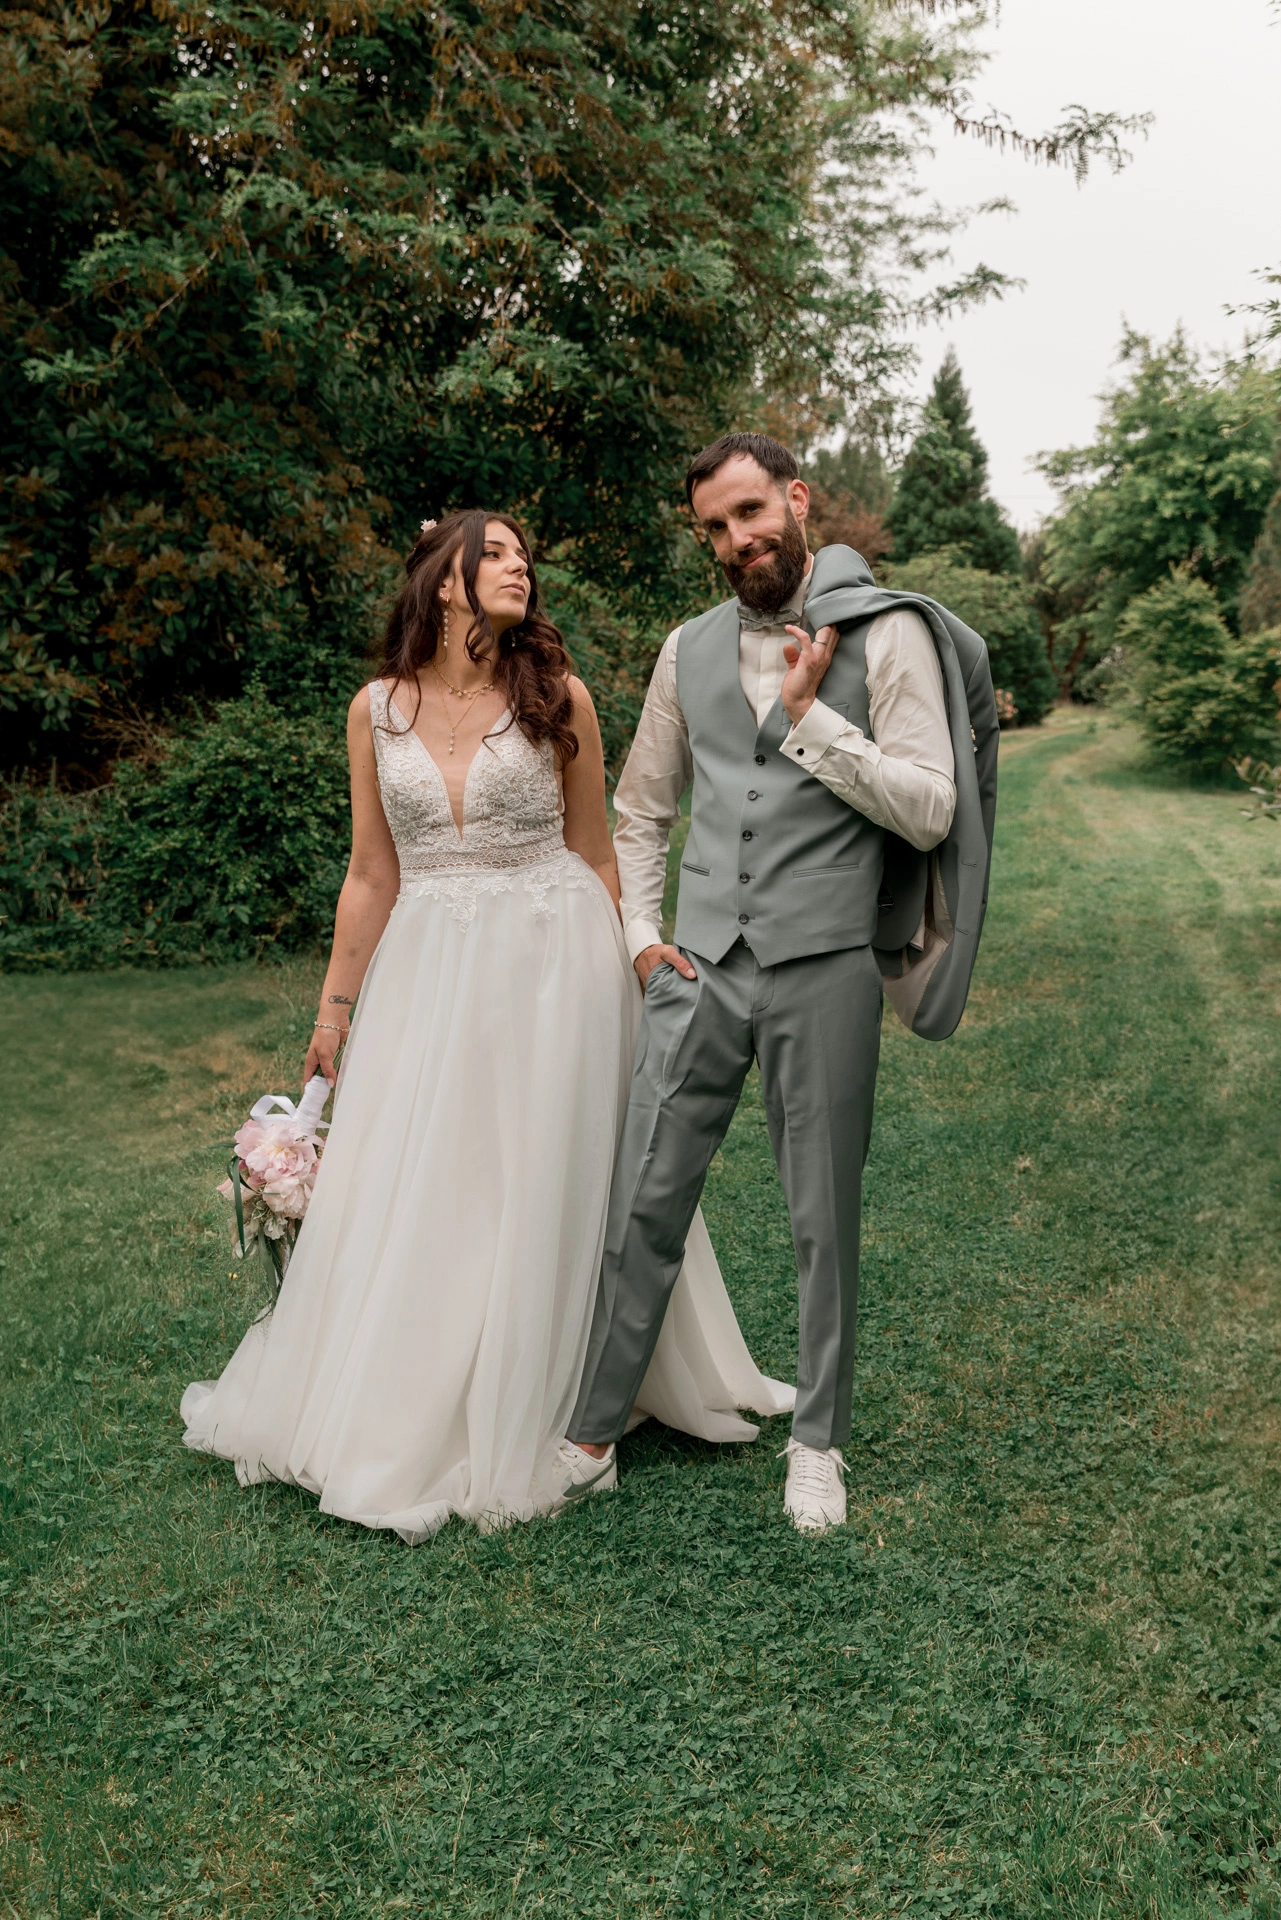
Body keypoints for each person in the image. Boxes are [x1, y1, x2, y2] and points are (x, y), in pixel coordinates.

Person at [182, 510, 792, 1542]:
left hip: (560, 963)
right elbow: (372, 873)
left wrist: (635, 961)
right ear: (447, 579)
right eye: (497, 554)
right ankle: (421, 1387)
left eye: (525, 557)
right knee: (431, 1177)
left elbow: (599, 853)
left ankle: (566, 1385)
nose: (521, 568)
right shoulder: (375, 709)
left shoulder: (561, 698)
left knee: (546, 1172)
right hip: (427, 967)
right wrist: (335, 1011)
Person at [561, 431, 994, 1533]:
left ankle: (818, 1443)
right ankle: (594, 1426)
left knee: (821, 1215)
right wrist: (641, 937)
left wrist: (810, 719)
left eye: (752, 512)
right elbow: (643, 811)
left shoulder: (889, 633)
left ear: (796, 500)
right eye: (715, 526)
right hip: (700, 962)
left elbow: (932, 806)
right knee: (646, 1191)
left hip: (825, 964)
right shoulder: (685, 649)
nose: (737, 539)